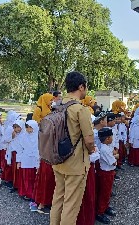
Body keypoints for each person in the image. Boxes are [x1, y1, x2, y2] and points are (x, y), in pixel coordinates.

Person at [50, 71, 95, 225]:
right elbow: (89, 139)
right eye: (86, 87)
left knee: (58, 199)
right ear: (81, 87)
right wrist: (91, 150)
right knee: (71, 205)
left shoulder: (58, 105)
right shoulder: (80, 109)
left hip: (57, 159)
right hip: (75, 164)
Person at [31, 93, 56, 214]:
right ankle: (41, 202)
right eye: (50, 100)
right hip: (43, 139)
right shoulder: (38, 109)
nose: (52, 102)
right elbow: (36, 124)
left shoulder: (51, 109)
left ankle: (47, 201)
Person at [96, 128, 117, 224]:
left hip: (108, 172)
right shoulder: (104, 149)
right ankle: (100, 212)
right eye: (111, 137)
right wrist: (116, 157)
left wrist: (115, 156)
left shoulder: (106, 146)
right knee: (104, 192)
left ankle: (106, 206)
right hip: (106, 173)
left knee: (107, 192)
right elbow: (113, 162)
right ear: (108, 138)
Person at [16, 120, 40, 200]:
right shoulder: (23, 136)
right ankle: (27, 193)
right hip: (25, 159)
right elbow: (19, 149)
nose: (28, 129)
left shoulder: (39, 137)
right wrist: (18, 161)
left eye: (30, 127)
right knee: (26, 177)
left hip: (35, 159)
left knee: (34, 177)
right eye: (27, 127)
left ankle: (34, 194)